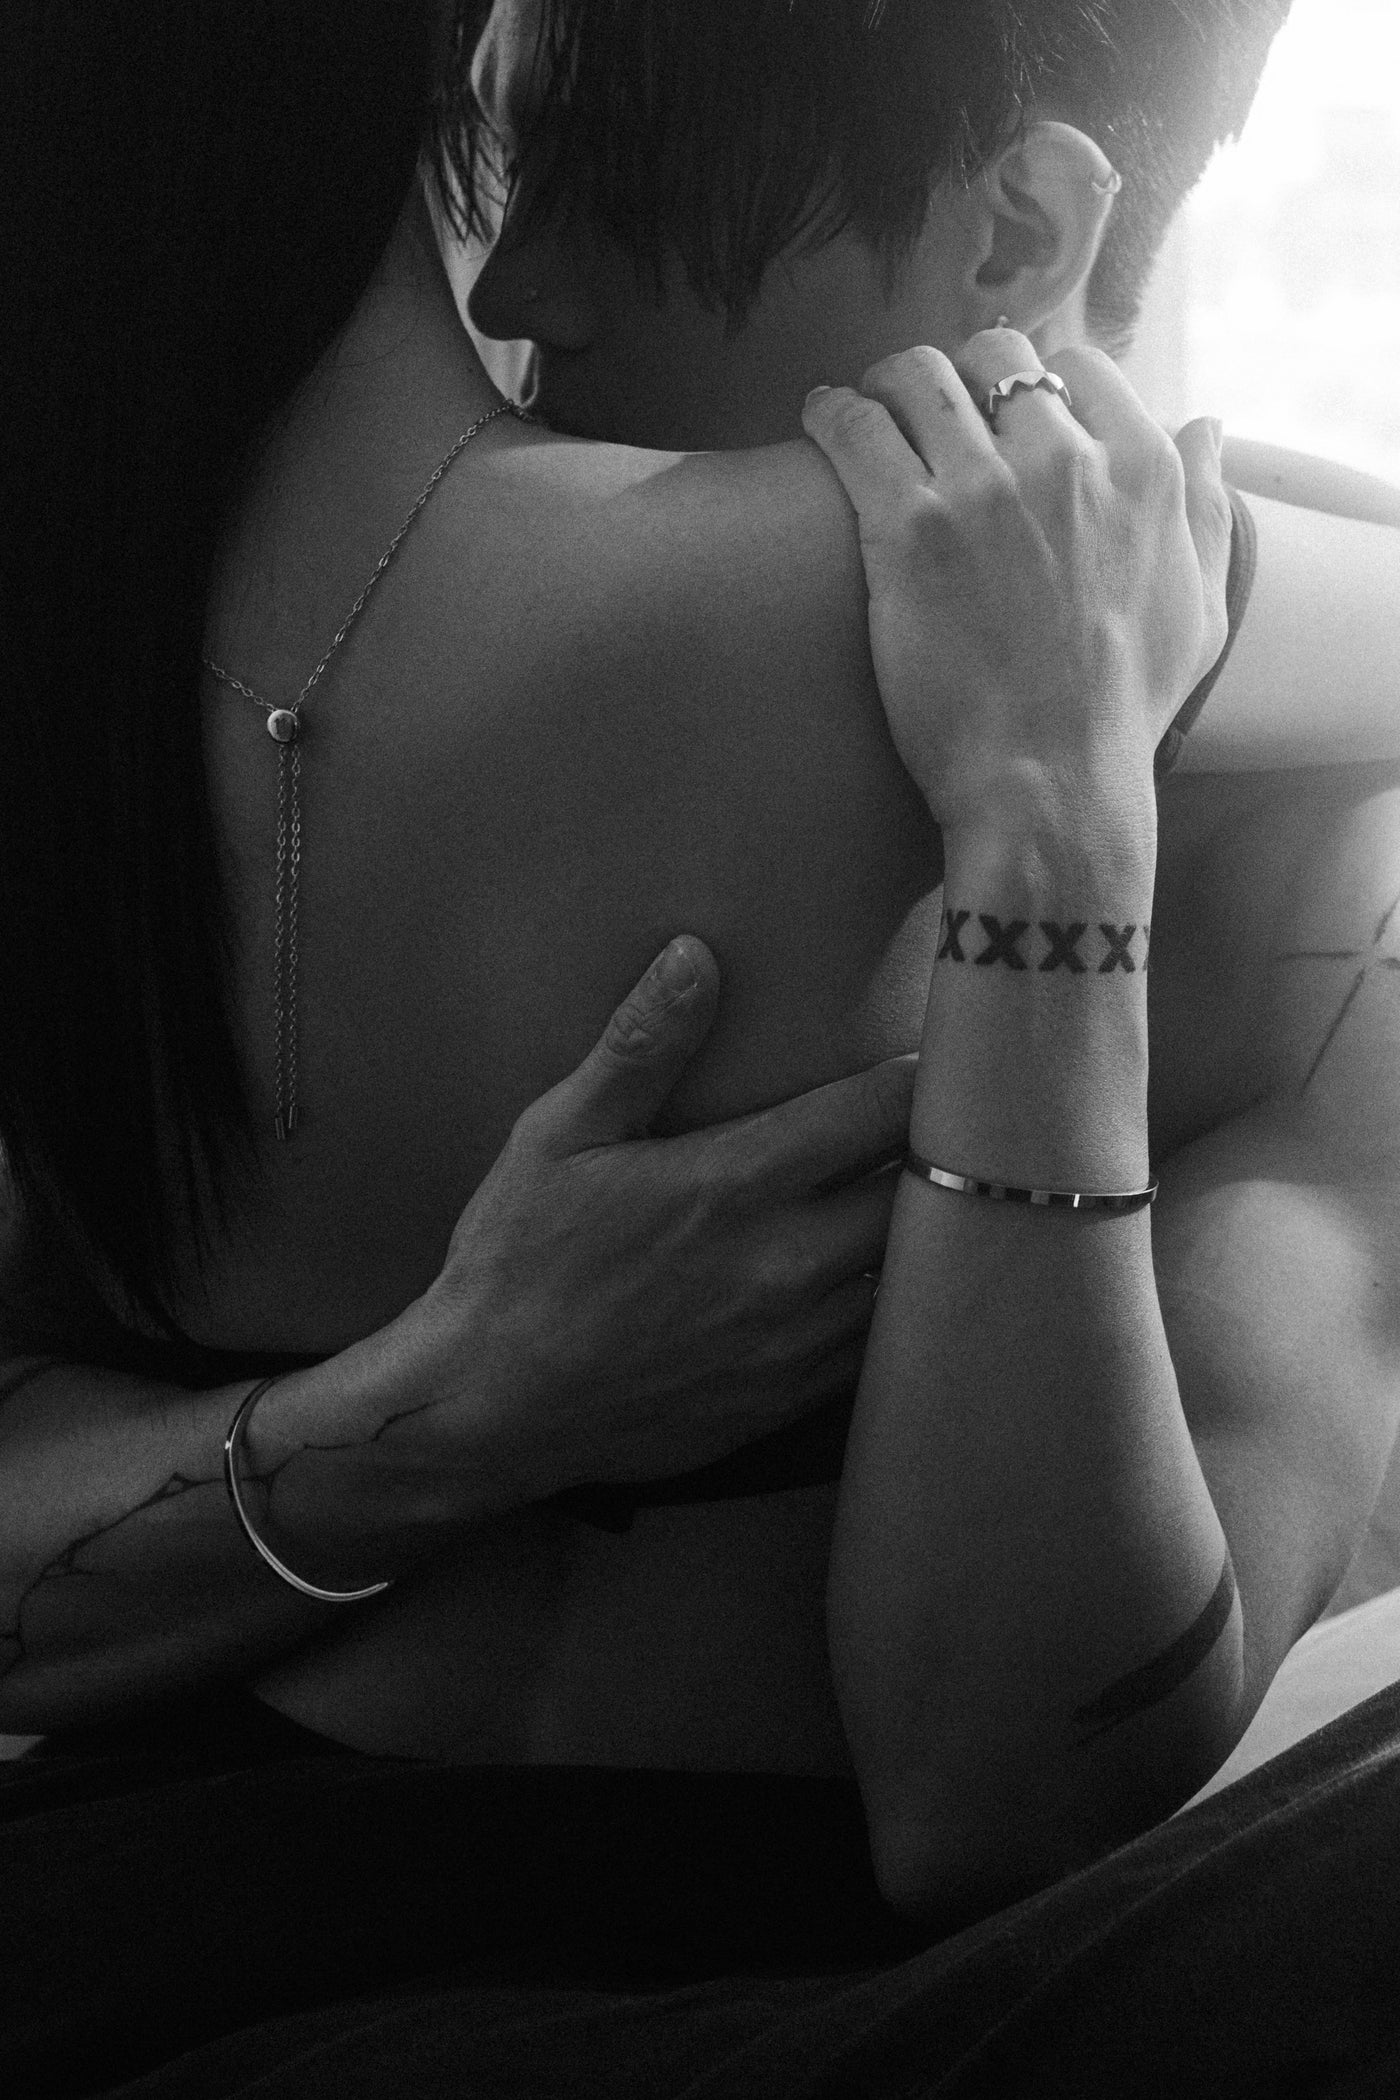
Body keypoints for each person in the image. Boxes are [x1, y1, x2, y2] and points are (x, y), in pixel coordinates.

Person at [7, 2, 1400, 2093]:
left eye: (633, 190)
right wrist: (468, 1399)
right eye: (512, 160)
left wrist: (1060, 832)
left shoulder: (1327, 869)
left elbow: (1007, 1785)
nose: (517, 289)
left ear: (1017, 237)